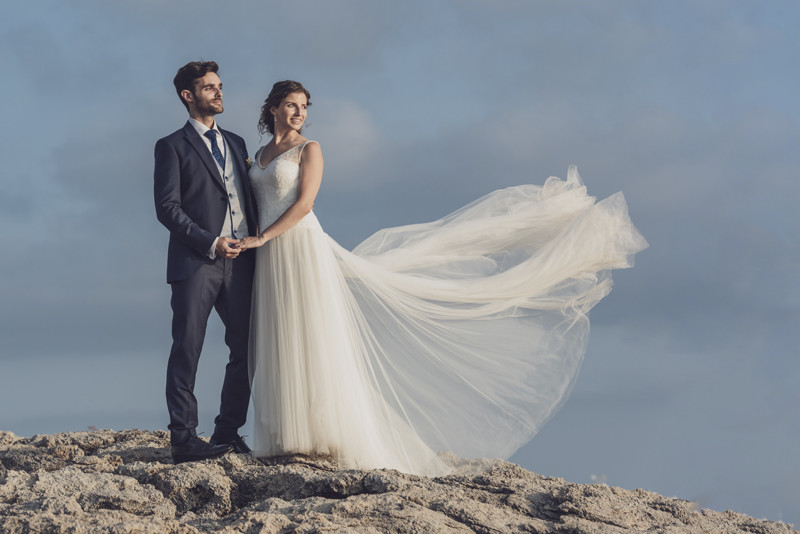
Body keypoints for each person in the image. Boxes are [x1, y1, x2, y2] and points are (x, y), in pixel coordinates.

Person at [237, 80, 649, 476]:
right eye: (291, 105)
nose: (299, 113)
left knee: (310, 332)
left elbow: (306, 203)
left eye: (305, 107)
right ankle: (283, 433)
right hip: (268, 251)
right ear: (273, 108)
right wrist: (254, 241)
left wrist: (263, 237)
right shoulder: (259, 155)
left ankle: (319, 433)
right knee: (279, 331)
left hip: (298, 245)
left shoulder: (310, 149)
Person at [154, 61, 257, 464]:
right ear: (188, 95)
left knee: (247, 349)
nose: (218, 92)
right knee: (188, 348)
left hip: (243, 263)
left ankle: (227, 432)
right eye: (209, 87)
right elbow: (167, 208)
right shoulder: (172, 145)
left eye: (219, 86)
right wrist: (210, 242)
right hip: (196, 262)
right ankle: (183, 439)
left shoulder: (237, 142)